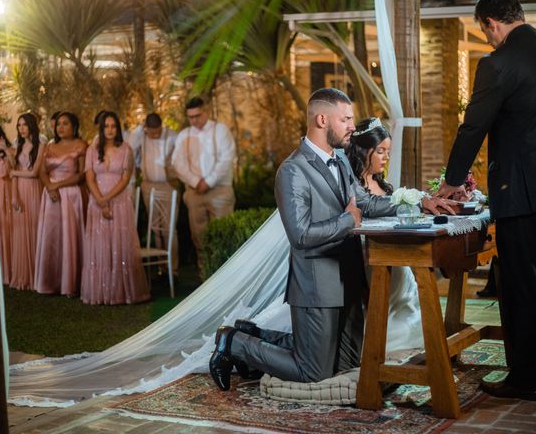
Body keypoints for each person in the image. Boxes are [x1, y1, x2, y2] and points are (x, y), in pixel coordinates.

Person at [208, 88, 453, 391]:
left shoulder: (340, 161)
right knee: (314, 371)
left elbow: (365, 204)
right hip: (317, 283)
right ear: (322, 120)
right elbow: (300, 235)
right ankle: (234, 342)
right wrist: (347, 221)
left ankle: (256, 336)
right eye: (346, 119)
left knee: (349, 362)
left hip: (349, 279)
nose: (353, 125)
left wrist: (417, 203)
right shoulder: (292, 170)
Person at [436, 0, 536, 401]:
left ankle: (525, 379)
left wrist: (452, 182)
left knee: (524, 284)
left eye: (485, 31)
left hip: (521, 193)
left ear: (491, 23)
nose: (488, 39)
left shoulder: (497, 64)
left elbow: (474, 127)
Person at [346, 117, 423, 349]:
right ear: (364, 150)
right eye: (381, 151)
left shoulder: (384, 183)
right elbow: (368, 207)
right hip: (367, 253)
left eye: (388, 152)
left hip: (391, 248)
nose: (386, 158)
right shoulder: (352, 182)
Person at [81, 111, 150, 305]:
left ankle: (122, 292)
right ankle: (101, 292)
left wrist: (107, 199)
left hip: (119, 202)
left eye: (113, 126)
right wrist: (100, 200)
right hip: (96, 202)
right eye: (106, 126)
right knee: (100, 245)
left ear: (118, 128)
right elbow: (89, 177)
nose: (110, 130)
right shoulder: (92, 150)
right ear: (101, 129)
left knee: (119, 245)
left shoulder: (126, 149)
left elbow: (126, 179)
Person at [172, 97, 236, 271]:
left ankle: (225, 275)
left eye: (197, 116)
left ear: (205, 111)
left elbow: (226, 158)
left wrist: (208, 181)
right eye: (190, 117)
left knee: (223, 235)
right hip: (194, 193)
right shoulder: (184, 135)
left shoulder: (220, 130)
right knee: (198, 237)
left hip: (219, 191)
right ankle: (205, 277)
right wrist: (195, 181)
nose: (194, 120)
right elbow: (178, 163)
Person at [34, 112, 87, 296]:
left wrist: (58, 185)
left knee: (69, 237)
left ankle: (70, 283)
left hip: (71, 194)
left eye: (65, 124)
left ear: (74, 126)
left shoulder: (80, 145)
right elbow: (41, 171)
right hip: (50, 195)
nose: (61, 127)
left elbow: (81, 174)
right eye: (59, 124)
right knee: (51, 235)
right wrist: (50, 187)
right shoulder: (50, 146)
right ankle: (49, 281)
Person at [129, 112, 179, 271]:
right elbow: (129, 146)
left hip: (168, 185)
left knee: (169, 227)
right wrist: (139, 128)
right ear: (146, 128)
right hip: (148, 186)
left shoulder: (172, 136)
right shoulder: (141, 137)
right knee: (155, 227)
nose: (155, 135)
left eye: (158, 131)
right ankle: (162, 268)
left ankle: (174, 269)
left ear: (161, 125)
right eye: (152, 132)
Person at [9, 113, 45, 290]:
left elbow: (34, 173)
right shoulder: (18, 145)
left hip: (33, 190)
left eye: (24, 125)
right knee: (21, 231)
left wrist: (15, 173)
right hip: (20, 192)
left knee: (35, 228)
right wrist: (14, 196)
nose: (21, 128)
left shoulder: (41, 145)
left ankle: (37, 276)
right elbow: (14, 171)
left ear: (31, 126)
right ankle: (23, 275)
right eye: (19, 125)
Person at [0, 124, 14, 285]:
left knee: (9, 227)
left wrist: (4, 149)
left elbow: (14, 167)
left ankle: (12, 269)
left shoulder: (10, 150)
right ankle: (0, 269)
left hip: (8, 191)